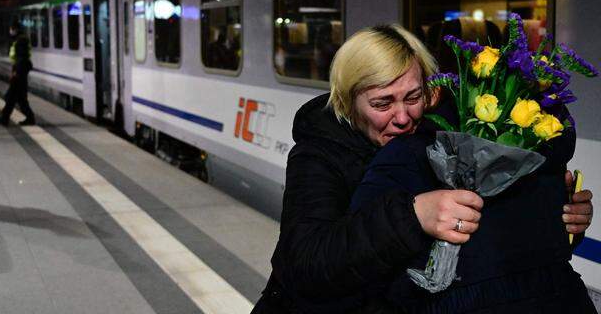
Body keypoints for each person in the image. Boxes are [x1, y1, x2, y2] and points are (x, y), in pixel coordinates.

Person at [251, 25, 594, 314]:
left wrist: (561, 221)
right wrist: (412, 216)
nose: (402, 118)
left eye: (413, 97)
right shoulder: (319, 154)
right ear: (347, 102)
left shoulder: (441, 140)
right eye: (382, 103)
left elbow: (487, 250)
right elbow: (306, 265)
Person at [0, 21, 36, 126]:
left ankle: (5, 118)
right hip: (20, 72)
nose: (10, 31)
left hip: (19, 73)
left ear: (15, 29)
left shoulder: (20, 41)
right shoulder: (20, 40)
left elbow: (21, 58)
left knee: (11, 97)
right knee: (20, 98)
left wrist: (16, 72)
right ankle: (29, 118)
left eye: (11, 29)